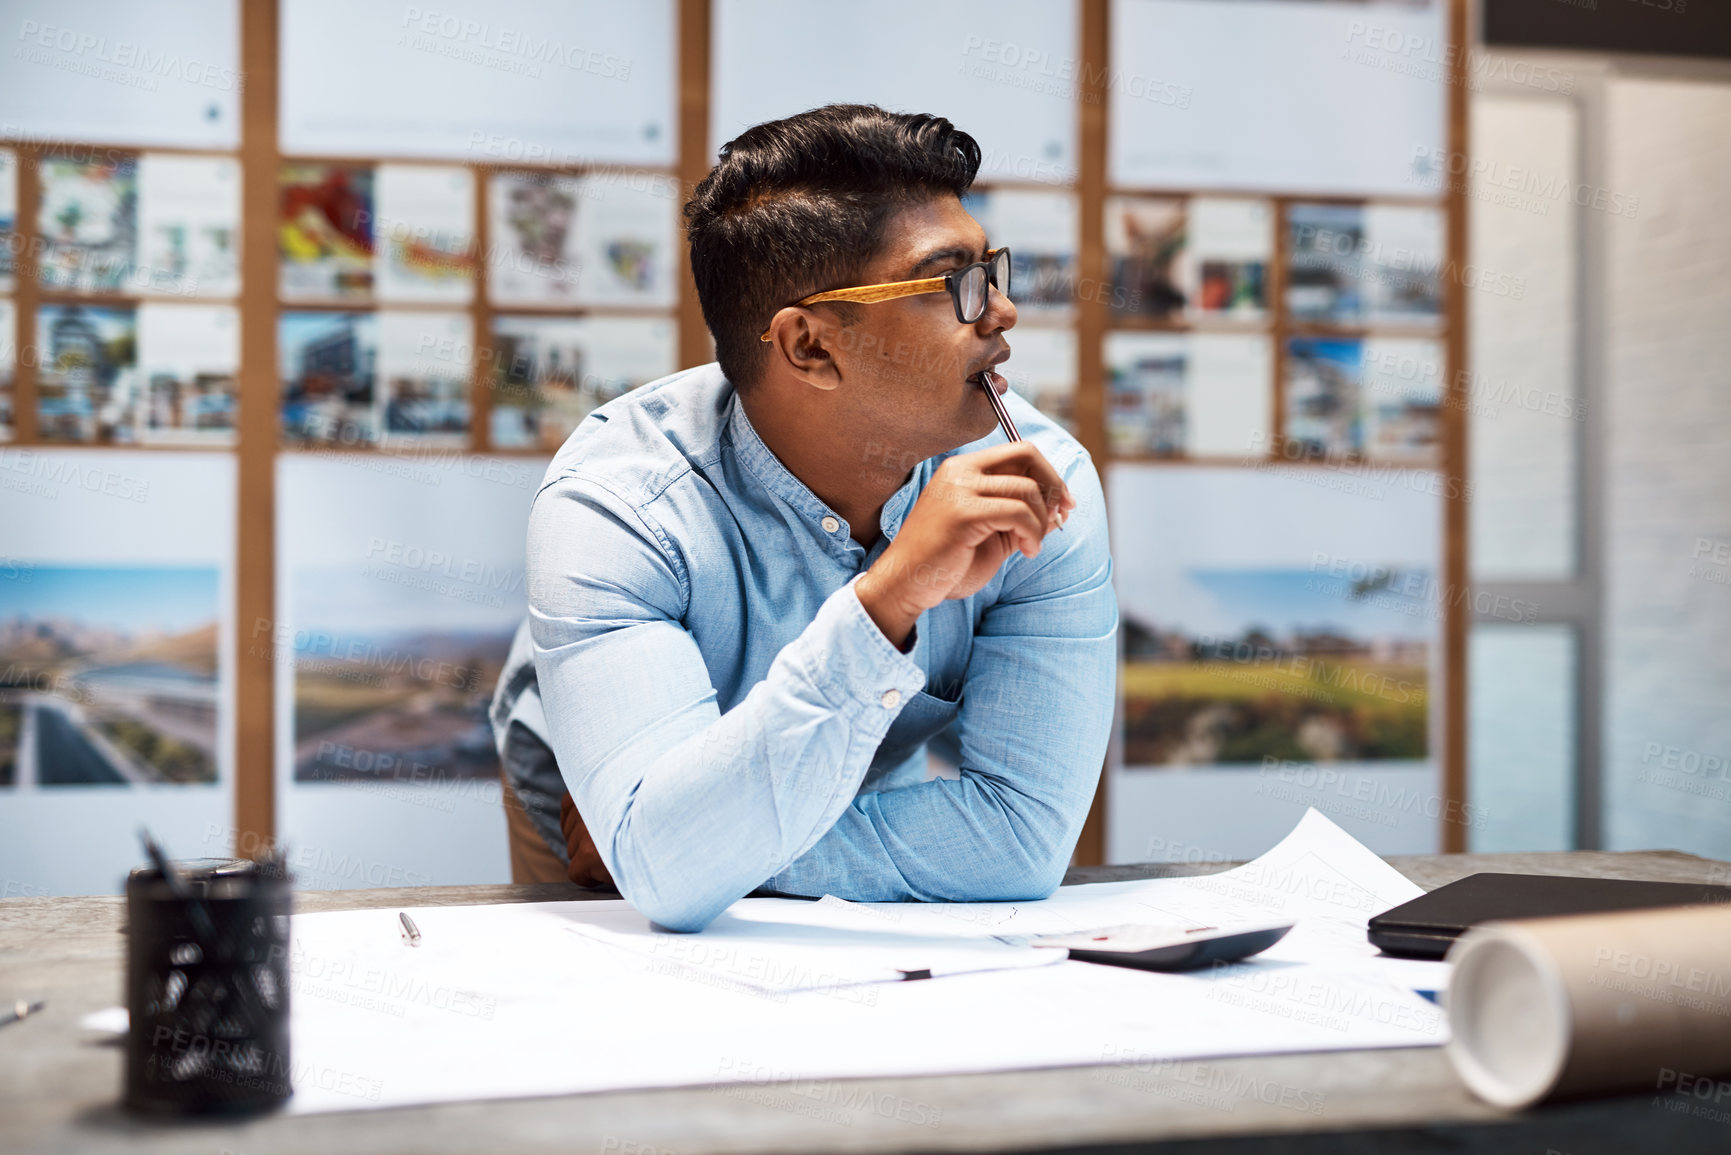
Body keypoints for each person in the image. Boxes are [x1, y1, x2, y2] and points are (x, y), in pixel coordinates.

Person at [490, 103, 1117, 933]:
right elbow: (650, 870)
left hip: (820, 785)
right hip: (585, 804)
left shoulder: (1038, 482)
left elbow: (1020, 838)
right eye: (952, 283)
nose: (999, 312)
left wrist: (684, 848)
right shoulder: (618, 503)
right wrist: (886, 600)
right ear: (810, 346)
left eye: (991, 270)